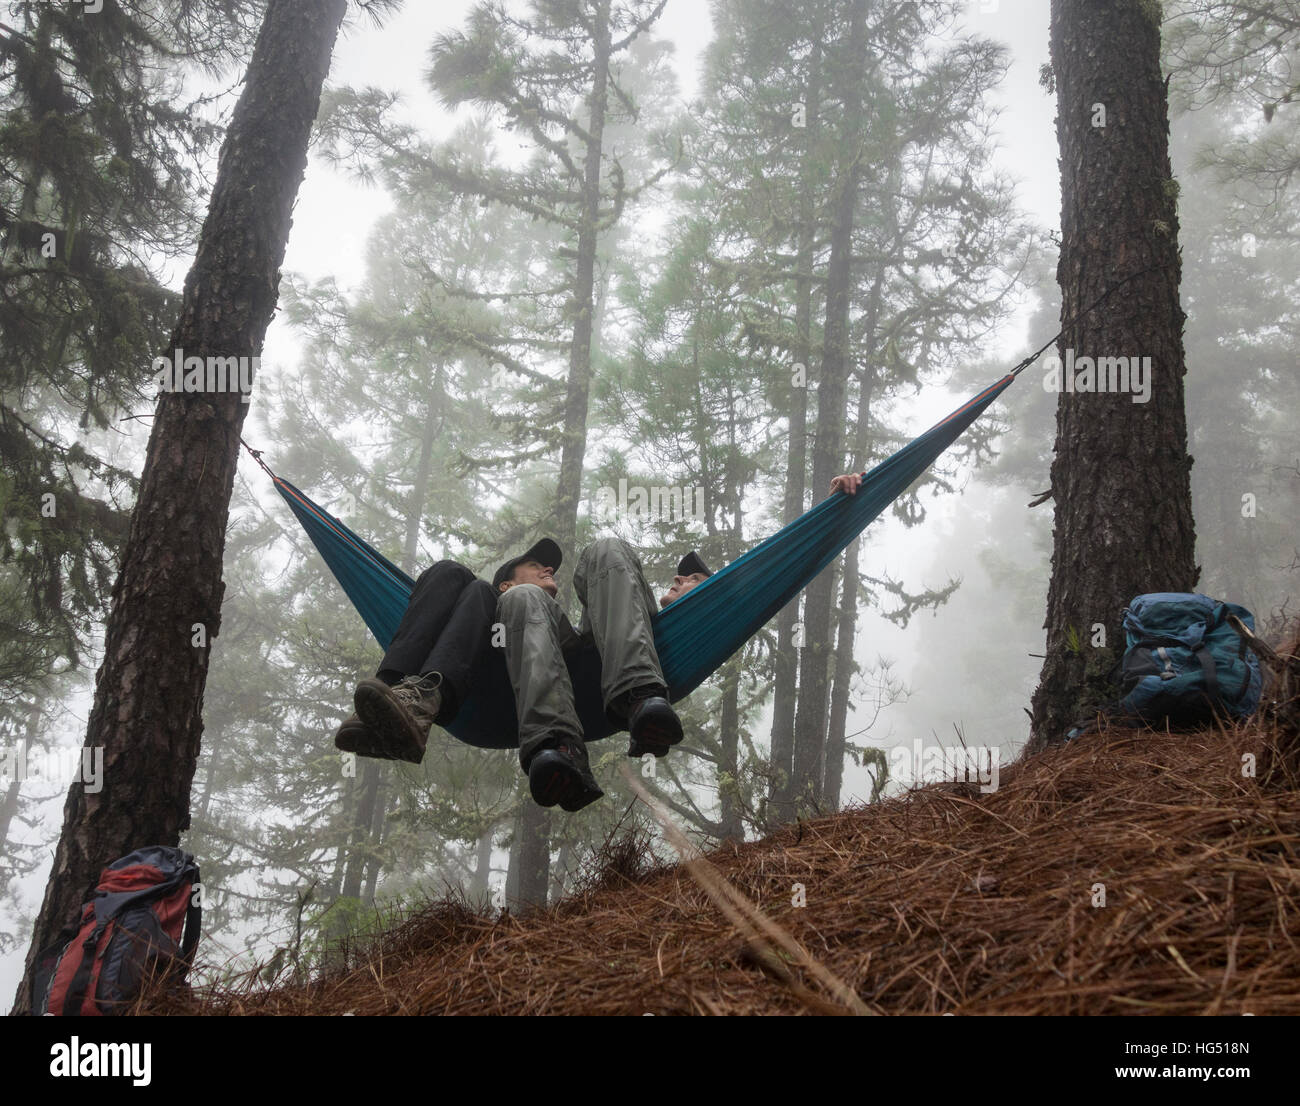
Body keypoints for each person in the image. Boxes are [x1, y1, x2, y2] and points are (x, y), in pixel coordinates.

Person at [498, 470, 867, 813]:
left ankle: (640, 698)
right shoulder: (627, 613)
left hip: (628, 680)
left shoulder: (708, 617)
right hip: (571, 669)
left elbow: (776, 567)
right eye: (679, 575)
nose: (676, 578)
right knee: (523, 597)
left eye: (692, 577)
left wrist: (834, 507)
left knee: (607, 549)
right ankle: (559, 750)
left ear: (714, 593)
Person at [334, 559, 499, 764]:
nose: (548, 570)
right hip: (469, 674)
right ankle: (391, 691)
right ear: (506, 585)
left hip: (504, 694)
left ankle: (424, 700)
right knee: (448, 570)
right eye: (535, 566)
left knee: (481, 590)